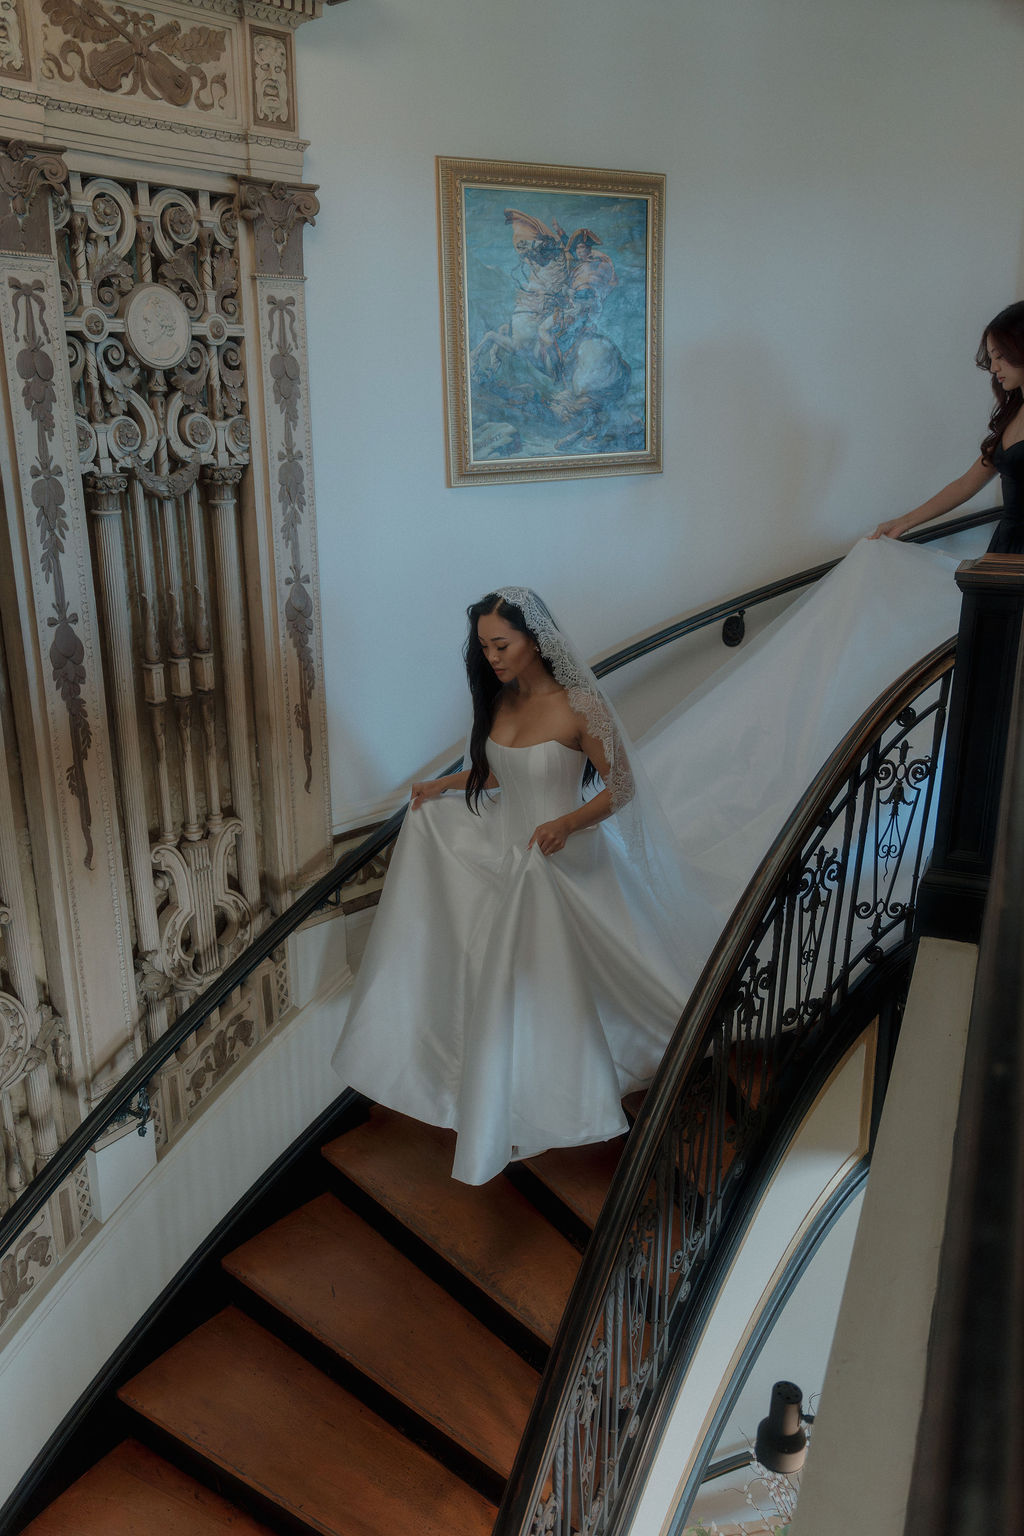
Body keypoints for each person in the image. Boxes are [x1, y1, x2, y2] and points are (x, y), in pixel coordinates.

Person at [330, 587, 718, 1185]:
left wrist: (567, 822)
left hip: (564, 860)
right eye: (484, 647)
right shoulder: (501, 703)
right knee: (493, 970)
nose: (492, 657)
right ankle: (507, 1087)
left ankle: (567, 1088)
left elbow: (623, 789)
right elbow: (498, 772)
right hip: (509, 853)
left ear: (536, 640)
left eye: (501, 644)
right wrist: (446, 786)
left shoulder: (581, 706)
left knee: (571, 974)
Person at [870, 301, 1024, 553]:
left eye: (1000, 356)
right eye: (992, 358)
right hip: (1006, 547)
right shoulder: (1013, 414)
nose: (994, 368)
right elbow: (965, 484)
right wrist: (903, 522)